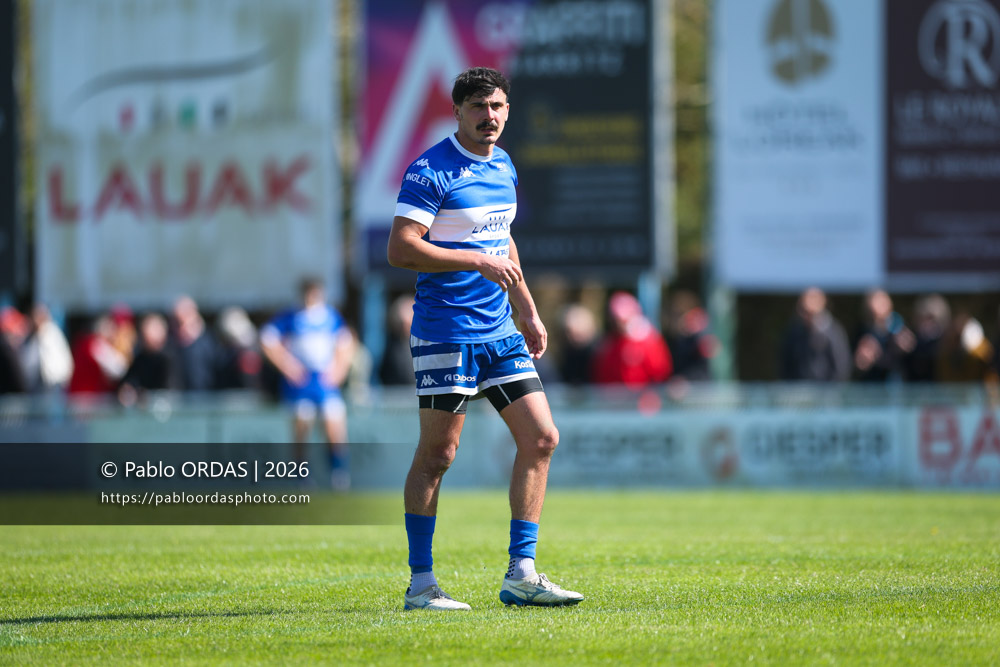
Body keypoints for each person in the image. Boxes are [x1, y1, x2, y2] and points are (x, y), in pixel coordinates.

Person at [386, 67, 583, 611]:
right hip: (446, 331)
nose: (489, 116)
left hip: (499, 332)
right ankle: (421, 584)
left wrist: (528, 309)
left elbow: (503, 238)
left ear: (507, 110)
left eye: (496, 106)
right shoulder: (430, 170)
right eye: (478, 106)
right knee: (439, 454)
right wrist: (472, 259)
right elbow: (401, 248)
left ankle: (522, 573)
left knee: (542, 438)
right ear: (457, 111)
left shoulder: (503, 164)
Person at [260, 277, 355, 490]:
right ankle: (301, 477)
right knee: (302, 428)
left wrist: (338, 370)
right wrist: (288, 366)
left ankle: (338, 474)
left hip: (324, 381)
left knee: (334, 426)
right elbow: (267, 340)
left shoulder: (331, 317)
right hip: (301, 383)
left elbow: (347, 343)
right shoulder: (291, 316)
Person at [591, 291, 673, 388]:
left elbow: (660, 373)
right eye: (616, 320)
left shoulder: (649, 341)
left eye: (623, 320)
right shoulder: (609, 344)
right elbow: (602, 374)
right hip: (614, 399)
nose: (619, 324)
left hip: (643, 400)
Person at [778, 287, 851, 382]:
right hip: (799, 392)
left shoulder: (834, 332)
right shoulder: (794, 332)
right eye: (804, 311)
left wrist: (831, 391)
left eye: (812, 313)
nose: (807, 316)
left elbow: (841, 367)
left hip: (826, 393)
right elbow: (785, 364)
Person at [852, 289, 915, 382]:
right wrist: (862, 359)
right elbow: (857, 364)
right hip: (872, 382)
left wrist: (905, 349)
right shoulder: (863, 331)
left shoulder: (899, 327)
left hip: (895, 382)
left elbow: (912, 358)